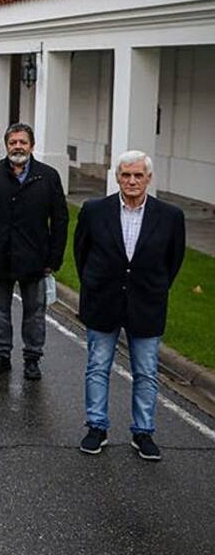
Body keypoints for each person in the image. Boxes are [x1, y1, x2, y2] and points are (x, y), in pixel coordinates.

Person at [74, 151, 186, 461]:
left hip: (147, 303)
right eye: (126, 175)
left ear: (149, 178)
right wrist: (95, 285)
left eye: (138, 175)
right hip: (103, 301)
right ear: (117, 177)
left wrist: (154, 287)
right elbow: (81, 254)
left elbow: (172, 261)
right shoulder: (95, 211)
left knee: (146, 372)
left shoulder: (171, 216)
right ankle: (96, 427)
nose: (132, 181)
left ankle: (143, 432)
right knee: (97, 367)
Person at [0, 122, 68, 381]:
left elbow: (60, 220)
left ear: (32, 146)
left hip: (36, 258)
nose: (18, 147)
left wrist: (54, 258)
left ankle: (32, 358)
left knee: (35, 312)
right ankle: (1, 355)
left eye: (22, 142)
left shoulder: (48, 176)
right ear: (6, 146)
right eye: (13, 142)